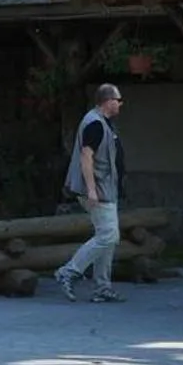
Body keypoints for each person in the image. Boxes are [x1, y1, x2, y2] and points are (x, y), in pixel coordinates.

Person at [57, 83, 127, 303]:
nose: (120, 104)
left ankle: (102, 288)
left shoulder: (103, 123)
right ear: (108, 101)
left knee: (107, 238)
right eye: (118, 100)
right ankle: (68, 271)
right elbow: (86, 157)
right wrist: (91, 190)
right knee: (109, 235)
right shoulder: (95, 124)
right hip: (98, 190)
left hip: (106, 188)